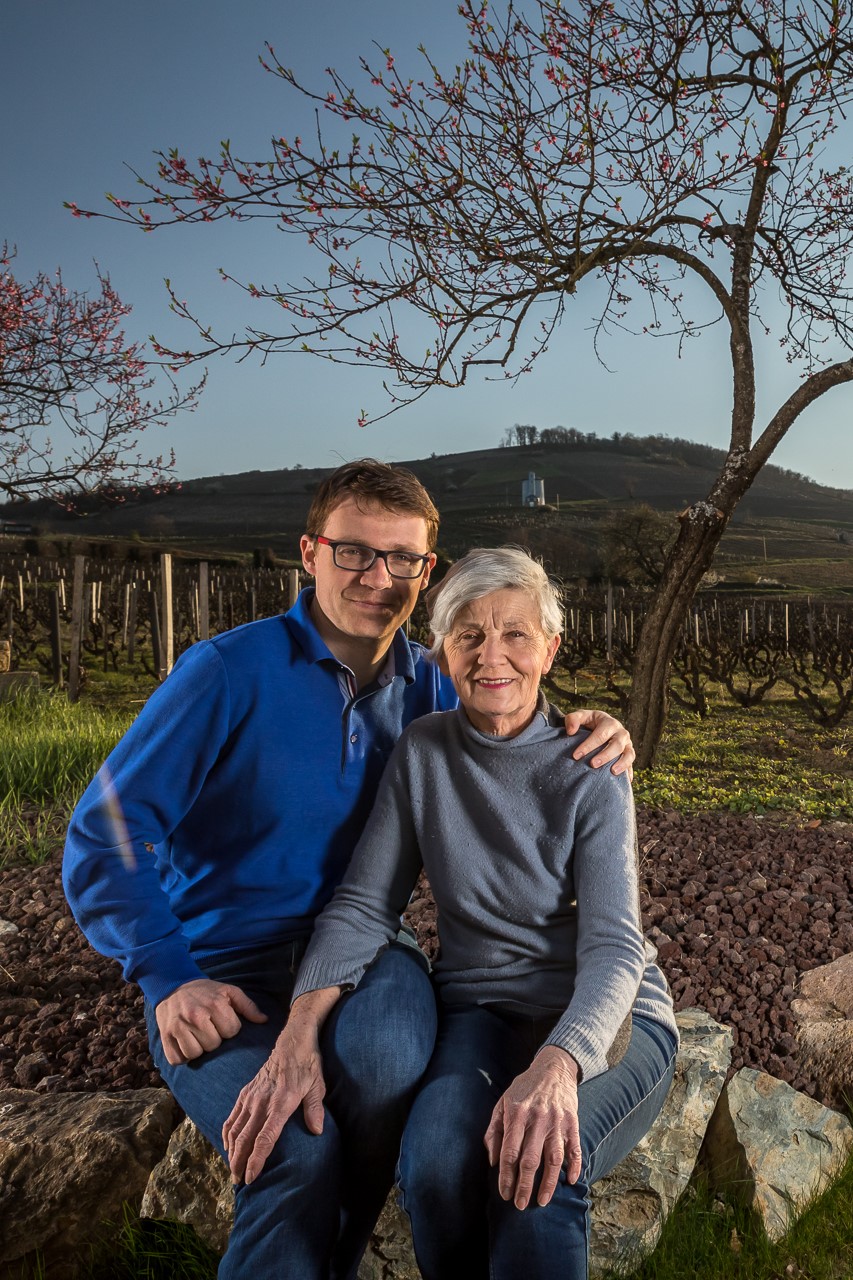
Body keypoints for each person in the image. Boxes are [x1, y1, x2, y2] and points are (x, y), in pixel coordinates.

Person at [63, 462, 636, 1280]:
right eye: (353, 552)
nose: (377, 577)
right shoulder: (224, 674)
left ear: (425, 572)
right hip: (222, 970)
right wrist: (165, 974)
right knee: (291, 1148)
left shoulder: (432, 684)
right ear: (309, 552)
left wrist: (598, 726)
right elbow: (105, 833)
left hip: (368, 955)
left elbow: (512, 696)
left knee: (392, 1062)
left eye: (401, 558)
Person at [223, 546, 677, 1280]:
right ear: (439, 651)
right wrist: (298, 1034)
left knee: (541, 1173)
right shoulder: (423, 751)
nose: (491, 655)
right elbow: (365, 905)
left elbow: (614, 948)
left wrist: (557, 1066)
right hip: (479, 1008)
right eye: (468, 633)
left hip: (604, 1017)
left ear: (550, 649)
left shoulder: (592, 767)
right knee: (432, 1166)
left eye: (515, 633)